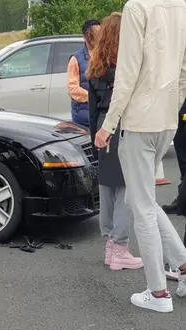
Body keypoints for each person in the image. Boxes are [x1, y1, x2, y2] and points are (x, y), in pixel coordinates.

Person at [94, 0, 186, 313]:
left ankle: (158, 292)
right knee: (141, 198)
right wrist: (171, 107)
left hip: (138, 123)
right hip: (165, 121)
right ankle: (183, 264)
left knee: (142, 207)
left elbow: (128, 73)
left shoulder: (136, 8)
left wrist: (107, 125)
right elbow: (184, 71)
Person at [86, 12, 144, 272]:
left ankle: (110, 243)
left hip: (100, 127)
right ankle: (120, 246)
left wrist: (94, 137)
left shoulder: (96, 68)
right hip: (120, 124)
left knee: (107, 186)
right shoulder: (126, 69)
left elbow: (90, 109)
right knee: (123, 187)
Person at [67, 19, 101, 127]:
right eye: (94, 34)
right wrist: (93, 98)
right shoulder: (75, 59)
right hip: (83, 118)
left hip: (101, 116)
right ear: (85, 36)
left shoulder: (105, 56)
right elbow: (72, 88)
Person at [162, 98, 186, 214]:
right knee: (183, 160)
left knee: (184, 160)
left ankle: (182, 199)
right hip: (179, 112)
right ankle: (182, 197)